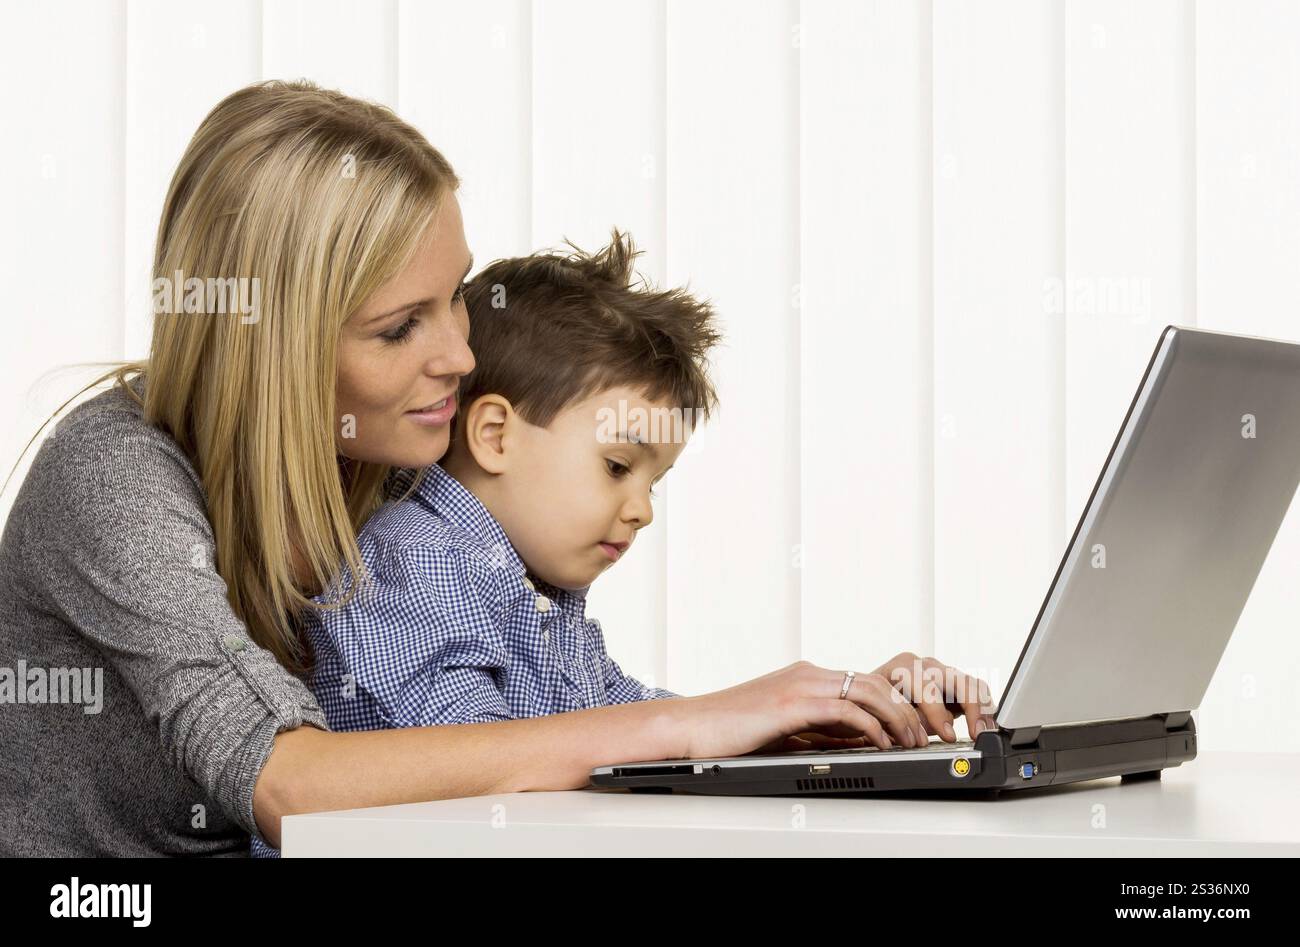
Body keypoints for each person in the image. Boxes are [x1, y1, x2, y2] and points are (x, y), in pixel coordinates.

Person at [0, 79, 996, 856]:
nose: (462, 357)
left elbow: (549, 721)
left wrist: (810, 731)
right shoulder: (114, 483)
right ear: (276, 349)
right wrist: (698, 720)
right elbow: (286, 781)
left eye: (456, 301)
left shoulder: (388, 464)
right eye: (400, 327)